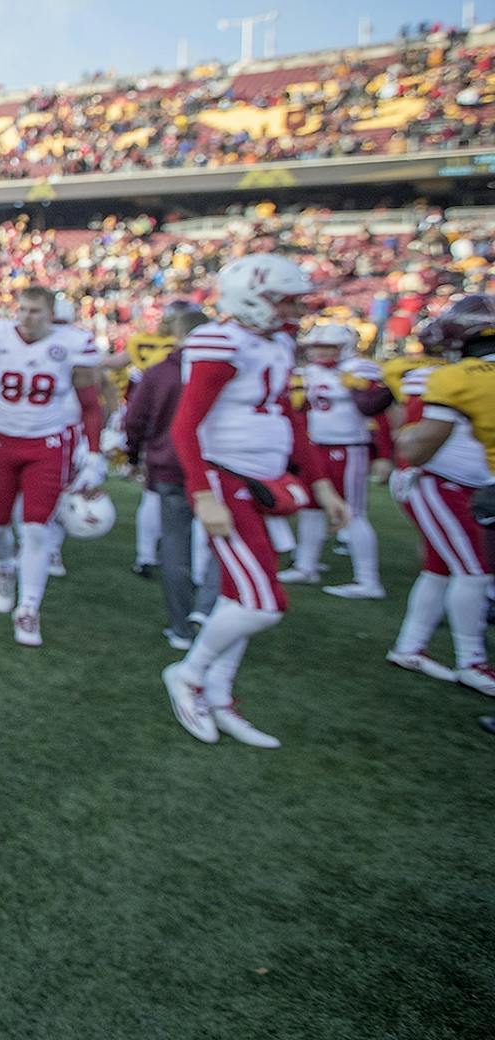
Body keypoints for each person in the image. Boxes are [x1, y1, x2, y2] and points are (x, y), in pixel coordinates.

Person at [162, 256, 349, 749]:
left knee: (236, 598)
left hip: (259, 480)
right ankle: (189, 673)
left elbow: (292, 419)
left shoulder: (278, 344)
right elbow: (185, 426)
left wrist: (324, 485)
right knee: (263, 604)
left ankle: (220, 695)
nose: (292, 310)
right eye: (283, 299)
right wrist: (203, 493)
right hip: (226, 479)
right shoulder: (218, 340)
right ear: (252, 295)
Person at [0, 284, 104, 646]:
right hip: (1, 440)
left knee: (37, 529)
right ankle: (4, 569)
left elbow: (90, 404)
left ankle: (28, 609)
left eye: (35, 311)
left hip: (47, 443)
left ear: (51, 313)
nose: (27, 316)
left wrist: (96, 453)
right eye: (22, 309)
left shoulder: (72, 343)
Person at [385, 294, 495, 694]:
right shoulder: (452, 376)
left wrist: (405, 439)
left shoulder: (455, 375)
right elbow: (416, 447)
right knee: (475, 573)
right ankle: (472, 661)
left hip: (449, 480)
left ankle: (410, 646)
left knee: (440, 570)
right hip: (446, 484)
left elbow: (411, 441)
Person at [121, 304, 213, 649]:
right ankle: (205, 609)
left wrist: (132, 454)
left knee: (176, 548)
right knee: (215, 541)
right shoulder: (228, 369)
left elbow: (135, 418)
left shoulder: (160, 372)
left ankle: (181, 625)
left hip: (170, 464)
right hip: (213, 466)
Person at [287, 320, 393, 596]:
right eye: (316, 347)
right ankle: (305, 565)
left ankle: (368, 580)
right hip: (315, 447)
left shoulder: (359, 369)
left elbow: (377, 413)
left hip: (349, 447)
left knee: (353, 512)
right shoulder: (306, 372)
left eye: (328, 347)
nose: (320, 353)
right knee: (311, 508)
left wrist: (382, 454)